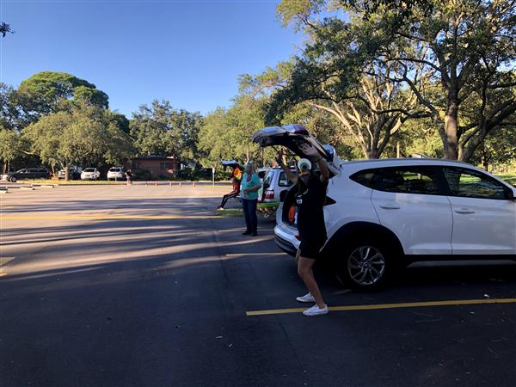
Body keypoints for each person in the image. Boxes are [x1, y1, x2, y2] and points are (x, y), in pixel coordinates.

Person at [276, 144, 330, 316]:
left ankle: (321, 306)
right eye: (301, 170)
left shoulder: (317, 187)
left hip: (315, 235)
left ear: (312, 172)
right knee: (299, 260)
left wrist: (317, 157)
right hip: (307, 235)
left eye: (306, 170)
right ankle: (311, 293)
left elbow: (326, 174)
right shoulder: (301, 188)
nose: (302, 172)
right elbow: (291, 176)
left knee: (302, 270)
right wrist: (281, 163)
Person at [240, 162, 262, 236]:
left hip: (252, 198)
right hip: (244, 198)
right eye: (246, 167)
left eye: (248, 167)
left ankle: (254, 231)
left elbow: (259, 185)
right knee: (246, 214)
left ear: (251, 168)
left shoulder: (254, 176)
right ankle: (248, 230)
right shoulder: (245, 175)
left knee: (251, 214)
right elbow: (243, 185)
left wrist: (249, 190)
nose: (246, 168)